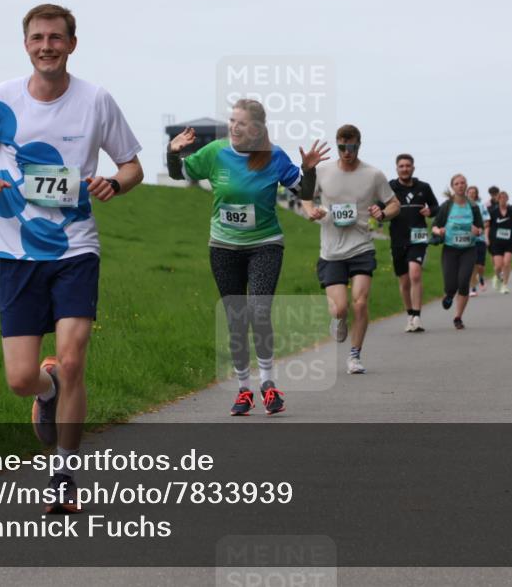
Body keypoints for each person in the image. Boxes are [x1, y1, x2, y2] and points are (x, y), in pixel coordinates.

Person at [0, 3, 144, 513]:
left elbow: (132, 165)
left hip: (75, 246)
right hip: (16, 250)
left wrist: (114, 182)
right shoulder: (1, 99)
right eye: (38, 38)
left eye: (56, 38)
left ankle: (63, 474)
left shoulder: (96, 101)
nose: (47, 46)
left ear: (72, 44)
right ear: (26, 45)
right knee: (21, 379)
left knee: (73, 355)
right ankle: (47, 391)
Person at [166, 100, 327, 415]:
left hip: (265, 244)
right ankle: (243, 389)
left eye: (240, 123)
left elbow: (304, 193)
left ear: (256, 129)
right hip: (223, 246)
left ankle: (267, 383)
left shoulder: (274, 157)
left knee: (259, 310)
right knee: (236, 318)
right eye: (231, 120)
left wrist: (308, 170)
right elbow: (178, 173)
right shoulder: (215, 152)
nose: (233, 127)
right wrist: (173, 152)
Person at [302, 124, 399, 373]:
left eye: (352, 146)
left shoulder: (373, 175)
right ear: (337, 146)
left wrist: (384, 213)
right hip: (331, 251)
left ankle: (355, 356)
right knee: (340, 308)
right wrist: (311, 210)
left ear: (359, 145)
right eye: (342, 147)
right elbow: (304, 196)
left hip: (361, 247)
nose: (347, 151)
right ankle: (338, 319)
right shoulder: (323, 171)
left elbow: (394, 204)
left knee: (360, 302)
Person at [387, 154, 440, 332]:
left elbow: (435, 207)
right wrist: (380, 212)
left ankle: (417, 316)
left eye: (408, 166)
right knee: (404, 281)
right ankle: (409, 314)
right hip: (397, 239)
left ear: (413, 168)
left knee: (415, 273)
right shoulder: (390, 187)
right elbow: (381, 206)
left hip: (418, 237)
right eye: (401, 166)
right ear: (397, 169)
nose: (405, 169)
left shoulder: (423, 187)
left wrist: (429, 210)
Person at [431, 174, 484, 329]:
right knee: (451, 284)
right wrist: (439, 231)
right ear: (452, 187)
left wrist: (477, 230)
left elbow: (480, 227)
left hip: (469, 249)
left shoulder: (473, 206)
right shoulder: (447, 205)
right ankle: (448, 295)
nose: (460, 185)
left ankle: (458, 317)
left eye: (463, 183)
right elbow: (434, 225)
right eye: (457, 183)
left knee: (463, 282)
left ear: (466, 185)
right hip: (450, 249)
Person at [489, 189, 512, 293]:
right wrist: (487, 239)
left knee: (506, 263)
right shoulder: (493, 213)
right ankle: (497, 277)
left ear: (507, 199)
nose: (503, 200)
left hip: (509, 241)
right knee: (498, 266)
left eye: (505, 198)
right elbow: (487, 226)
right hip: (496, 242)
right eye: (501, 198)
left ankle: (504, 285)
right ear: (498, 200)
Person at [467, 186, 491, 296]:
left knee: (480, 266)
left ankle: (481, 277)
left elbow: (487, 221)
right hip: (467, 239)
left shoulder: (481, 206)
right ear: (467, 193)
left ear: (476, 194)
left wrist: (480, 229)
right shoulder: (463, 206)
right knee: (472, 265)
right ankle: (473, 288)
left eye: (474, 192)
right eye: (470, 192)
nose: (472, 194)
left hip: (480, 238)